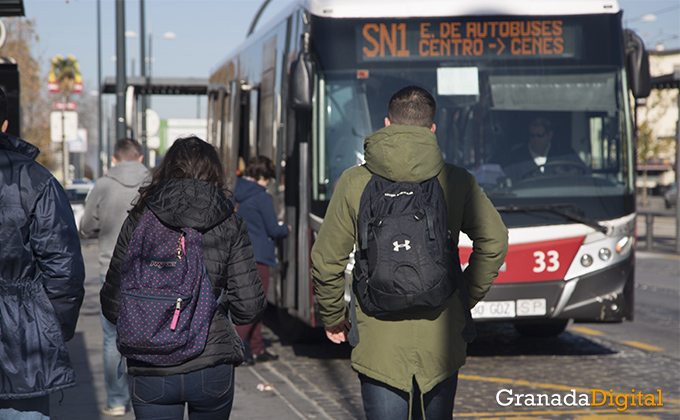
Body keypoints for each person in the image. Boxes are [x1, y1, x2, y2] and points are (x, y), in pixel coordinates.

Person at [311, 86, 508, 420]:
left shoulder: (353, 182)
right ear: (432, 129)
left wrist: (332, 316)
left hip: (378, 342)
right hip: (441, 339)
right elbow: (495, 241)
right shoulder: (457, 181)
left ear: (387, 124)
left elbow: (327, 259)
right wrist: (464, 297)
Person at [100, 136, 267, 419]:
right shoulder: (229, 220)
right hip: (210, 363)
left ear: (166, 169)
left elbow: (113, 305)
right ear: (215, 171)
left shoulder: (141, 216)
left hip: (151, 366)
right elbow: (248, 307)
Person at [0, 87, 86, 419]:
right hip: (24, 347)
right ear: (6, 125)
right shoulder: (36, 180)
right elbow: (63, 269)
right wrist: (50, 329)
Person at [80, 138, 149, 417]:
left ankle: (118, 400)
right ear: (140, 157)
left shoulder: (104, 185)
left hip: (111, 271)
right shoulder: (154, 184)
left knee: (112, 339)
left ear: (115, 159)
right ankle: (145, 395)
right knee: (146, 336)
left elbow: (86, 226)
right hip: (149, 273)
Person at [231, 155, 290, 365]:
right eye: (269, 179)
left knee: (254, 302)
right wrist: (287, 229)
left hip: (239, 254)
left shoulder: (236, 191)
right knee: (254, 304)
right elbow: (273, 229)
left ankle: (256, 349)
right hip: (258, 257)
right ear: (263, 176)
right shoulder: (262, 197)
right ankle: (234, 348)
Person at [502, 117, 587, 181]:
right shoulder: (517, 158)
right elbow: (505, 179)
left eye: (540, 135)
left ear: (550, 135)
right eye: (532, 135)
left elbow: (585, 174)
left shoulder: (565, 154)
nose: (535, 139)